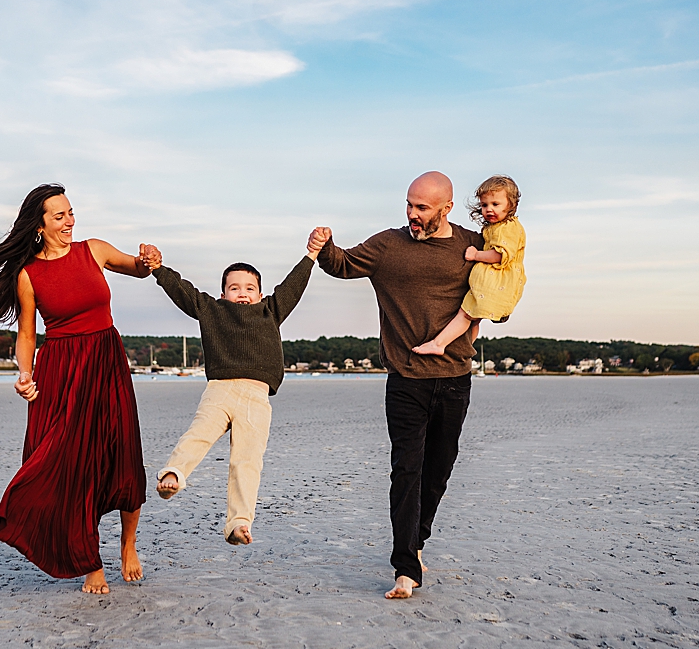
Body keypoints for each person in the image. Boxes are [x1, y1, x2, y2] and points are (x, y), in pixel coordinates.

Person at [0, 183, 158, 595]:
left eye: (71, 213)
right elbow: (26, 334)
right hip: (63, 370)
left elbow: (135, 267)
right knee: (73, 467)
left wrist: (148, 260)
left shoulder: (93, 250)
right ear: (40, 224)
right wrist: (24, 375)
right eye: (60, 216)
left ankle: (128, 543)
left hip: (107, 360)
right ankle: (90, 561)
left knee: (123, 453)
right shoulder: (29, 275)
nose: (70, 222)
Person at [311, 171, 482, 599]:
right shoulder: (389, 245)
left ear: (446, 207)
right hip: (406, 381)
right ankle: (405, 567)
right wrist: (323, 246)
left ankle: (417, 540)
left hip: (456, 377)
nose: (413, 214)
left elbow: (500, 290)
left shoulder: (470, 246)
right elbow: (343, 264)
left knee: (438, 473)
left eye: (422, 208)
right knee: (406, 471)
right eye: (409, 204)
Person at [148, 234, 323, 546]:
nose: (242, 293)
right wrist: (159, 269)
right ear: (223, 293)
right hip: (220, 390)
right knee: (198, 435)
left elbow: (293, 286)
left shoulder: (271, 309)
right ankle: (172, 475)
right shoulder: (212, 310)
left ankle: (239, 523)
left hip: (257, 397)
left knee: (248, 459)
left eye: (249, 288)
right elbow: (183, 291)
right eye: (234, 288)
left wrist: (310, 256)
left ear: (260, 293)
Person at [412, 175, 526, 356]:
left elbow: (499, 255)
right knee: (474, 319)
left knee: (465, 314)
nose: (489, 210)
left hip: (494, 284)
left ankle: (439, 343)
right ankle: (466, 348)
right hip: (492, 283)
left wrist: (476, 255)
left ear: (511, 205)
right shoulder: (498, 226)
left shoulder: (509, 228)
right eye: (484, 205)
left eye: (495, 204)